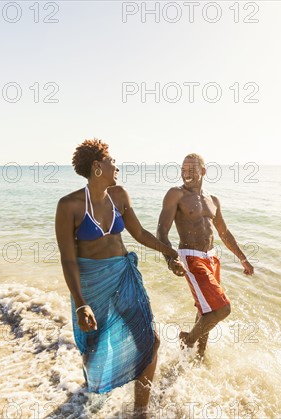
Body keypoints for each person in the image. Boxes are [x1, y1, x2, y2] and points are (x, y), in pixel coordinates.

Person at [55, 139, 183, 417]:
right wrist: (80, 303)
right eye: (112, 160)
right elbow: (67, 258)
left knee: (151, 340)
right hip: (91, 284)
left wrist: (169, 252)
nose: (117, 165)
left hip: (124, 276)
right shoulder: (69, 205)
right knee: (93, 345)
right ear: (97, 166)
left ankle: (140, 411)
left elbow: (139, 234)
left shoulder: (120, 195)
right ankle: (92, 392)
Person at [157, 153, 254, 357]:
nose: (186, 174)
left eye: (191, 169)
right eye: (183, 169)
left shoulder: (213, 200)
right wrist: (170, 259)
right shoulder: (176, 194)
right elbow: (162, 231)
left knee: (206, 310)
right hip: (191, 256)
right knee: (222, 309)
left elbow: (224, 233)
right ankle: (188, 340)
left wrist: (243, 259)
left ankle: (199, 356)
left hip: (211, 256)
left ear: (203, 171)